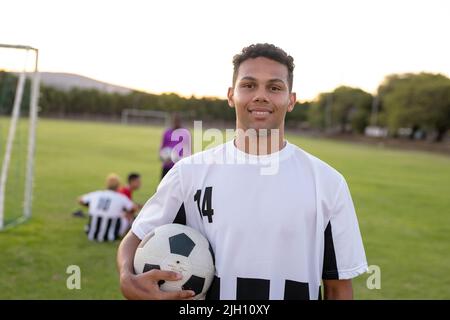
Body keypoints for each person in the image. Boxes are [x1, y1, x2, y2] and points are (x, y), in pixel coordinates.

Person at [117, 43, 368, 300]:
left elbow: (337, 287)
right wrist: (127, 278)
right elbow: (136, 237)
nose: (261, 96)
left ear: (291, 100)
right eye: (248, 85)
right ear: (230, 95)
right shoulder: (188, 174)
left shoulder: (327, 182)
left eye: (274, 87)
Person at [79, 173, 137, 242]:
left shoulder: (97, 194)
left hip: (91, 234)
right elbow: (134, 208)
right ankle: (125, 235)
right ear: (118, 186)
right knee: (128, 216)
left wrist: (92, 206)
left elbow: (80, 199)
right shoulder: (120, 197)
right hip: (111, 235)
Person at [159, 113, 191, 179]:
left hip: (179, 167)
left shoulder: (185, 133)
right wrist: (163, 157)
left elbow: (188, 150)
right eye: (174, 120)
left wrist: (181, 159)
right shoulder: (167, 133)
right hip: (167, 166)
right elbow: (162, 148)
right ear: (172, 121)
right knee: (163, 187)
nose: (176, 122)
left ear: (180, 121)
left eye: (177, 120)